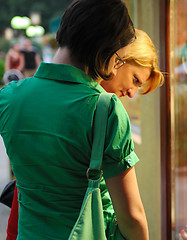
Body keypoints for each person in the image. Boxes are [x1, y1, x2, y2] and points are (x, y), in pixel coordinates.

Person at [0, 0, 152, 239]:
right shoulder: (105, 108)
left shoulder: (9, 97)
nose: (114, 69)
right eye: (117, 59)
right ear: (104, 48)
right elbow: (131, 216)